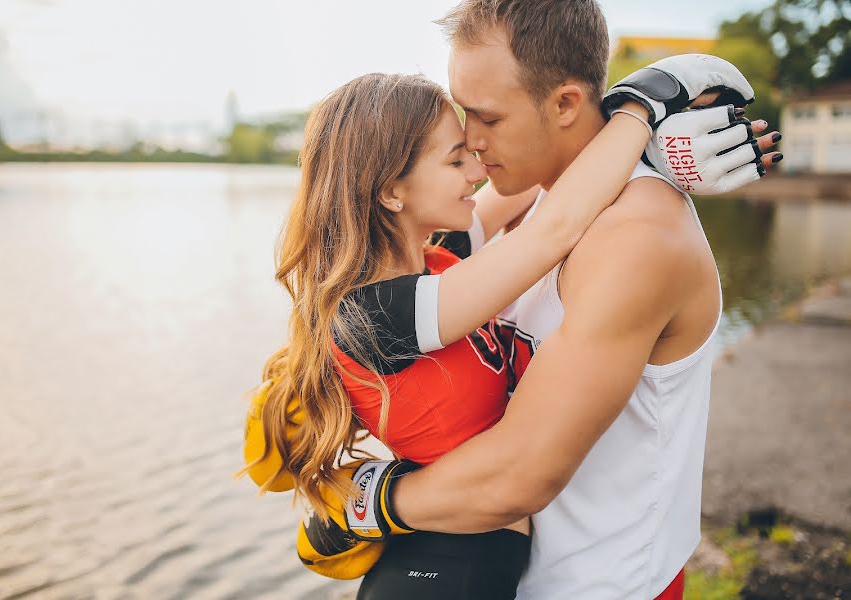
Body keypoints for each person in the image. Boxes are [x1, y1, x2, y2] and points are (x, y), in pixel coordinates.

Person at [279, 2, 784, 599]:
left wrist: (364, 501)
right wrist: (637, 127)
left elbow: (518, 477)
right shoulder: (532, 202)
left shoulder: (638, 240)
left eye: (487, 117)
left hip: (603, 584)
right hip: (505, 569)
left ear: (566, 104)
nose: (470, 139)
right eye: (465, 114)